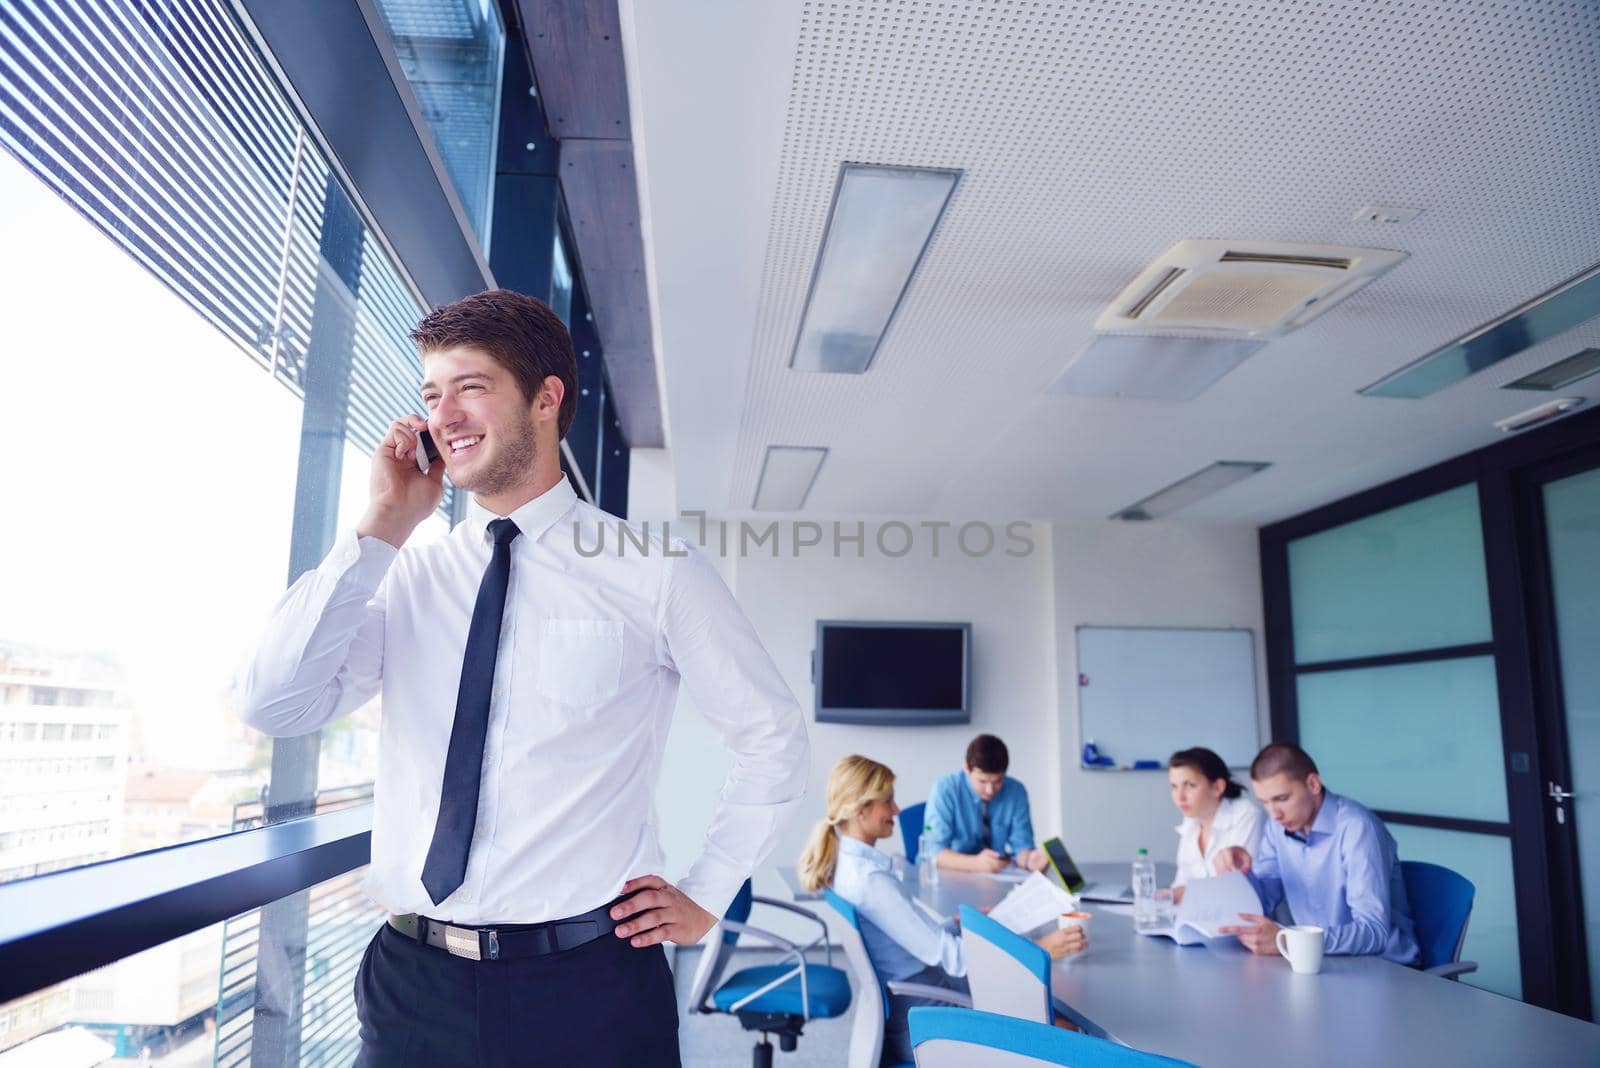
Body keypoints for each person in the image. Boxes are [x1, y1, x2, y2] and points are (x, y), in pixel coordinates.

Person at [235, 290, 809, 1067]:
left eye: (470, 387)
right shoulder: (409, 574)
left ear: (546, 399)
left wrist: (708, 890)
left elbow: (771, 737)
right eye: (431, 395)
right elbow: (275, 702)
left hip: (591, 987)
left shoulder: (654, 570)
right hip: (412, 981)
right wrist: (380, 530)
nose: (444, 415)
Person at [798, 755, 1085, 1066]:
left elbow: (906, 938)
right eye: (888, 801)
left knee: (1051, 1019)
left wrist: (953, 925)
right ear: (860, 809)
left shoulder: (850, 866)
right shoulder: (871, 880)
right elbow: (957, 961)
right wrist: (1042, 949)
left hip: (915, 1005)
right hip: (926, 1020)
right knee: (1069, 1034)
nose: (896, 809)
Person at [1215, 743, 1419, 965]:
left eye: (1282, 799)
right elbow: (1264, 903)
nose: (1274, 813)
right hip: (1319, 960)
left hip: (1383, 966)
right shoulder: (1277, 828)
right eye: (1265, 802)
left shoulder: (1357, 828)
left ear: (1313, 784)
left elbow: (1374, 932)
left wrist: (1292, 941)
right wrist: (1241, 874)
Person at [926, 734, 1048, 873]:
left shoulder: (1016, 791)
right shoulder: (945, 789)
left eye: (998, 781)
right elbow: (932, 851)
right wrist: (975, 864)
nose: (990, 790)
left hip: (996, 876)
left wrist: (1030, 860)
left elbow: (1021, 847)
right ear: (966, 768)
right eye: (982, 781)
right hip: (952, 874)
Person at [1166, 747, 1263, 903]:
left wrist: (1185, 893)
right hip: (1200, 916)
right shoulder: (1190, 822)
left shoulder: (1245, 815)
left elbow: (1235, 887)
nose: (1180, 797)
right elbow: (1182, 881)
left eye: (1190, 785)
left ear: (1217, 787)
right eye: (1174, 786)